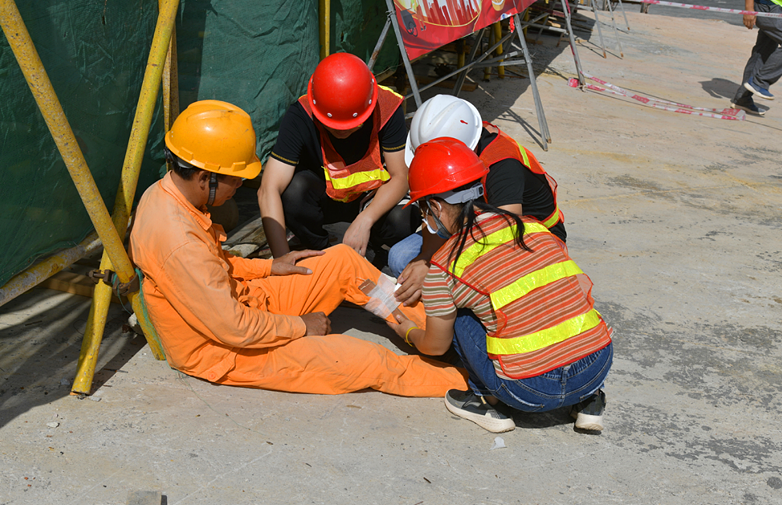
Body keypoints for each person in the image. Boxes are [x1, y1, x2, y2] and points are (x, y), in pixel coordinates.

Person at [129, 100, 467, 397]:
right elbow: (233, 327)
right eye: (236, 179)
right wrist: (302, 326)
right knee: (367, 362)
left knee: (343, 261)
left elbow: (214, 264)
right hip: (227, 349)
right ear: (206, 178)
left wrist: (268, 267)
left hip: (244, 302)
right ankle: (472, 382)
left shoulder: (167, 194)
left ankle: (438, 334)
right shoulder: (178, 241)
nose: (240, 186)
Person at [387, 138, 613, 433]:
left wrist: (409, 333)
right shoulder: (532, 227)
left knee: (461, 315)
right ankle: (589, 401)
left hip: (528, 392)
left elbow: (436, 346)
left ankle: (484, 398)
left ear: (436, 207)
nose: (424, 219)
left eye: (423, 211)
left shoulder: (445, 266)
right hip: (596, 368)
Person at [388, 95, 565, 307]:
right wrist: (427, 258)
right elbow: (433, 210)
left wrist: (439, 268)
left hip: (526, 242)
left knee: (469, 284)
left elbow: (503, 247)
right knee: (401, 258)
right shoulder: (462, 142)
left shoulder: (503, 167)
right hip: (470, 225)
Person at [258, 53, 420, 267]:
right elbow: (268, 189)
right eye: (332, 126)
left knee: (404, 220)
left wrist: (365, 220)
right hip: (325, 201)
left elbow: (401, 176)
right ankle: (319, 249)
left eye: (352, 125)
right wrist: (281, 260)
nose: (342, 132)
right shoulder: (300, 116)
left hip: (369, 198)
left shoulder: (386, 107)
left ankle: (371, 247)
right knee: (293, 192)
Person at [730, 0, 782, 116]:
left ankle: (742, 98)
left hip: (775, 7)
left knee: (763, 51)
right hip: (767, 7)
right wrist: (749, 9)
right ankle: (760, 82)